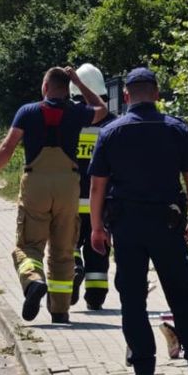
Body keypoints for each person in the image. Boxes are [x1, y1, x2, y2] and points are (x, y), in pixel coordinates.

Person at [88, 67, 188, 375]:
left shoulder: (111, 133)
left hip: (127, 227)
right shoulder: (176, 131)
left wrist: (96, 228)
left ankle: (144, 371)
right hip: (168, 225)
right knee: (182, 297)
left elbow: (97, 187)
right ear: (158, 94)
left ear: (125, 96)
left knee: (133, 299)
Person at [0, 66, 108, 324]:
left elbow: (8, 146)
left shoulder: (28, 112)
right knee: (63, 250)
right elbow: (102, 109)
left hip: (36, 182)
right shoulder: (77, 112)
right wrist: (79, 82)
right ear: (67, 88)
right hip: (68, 187)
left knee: (29, 245)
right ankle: (60, 310)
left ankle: (33, 282)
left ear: (45, 86)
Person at [70, 62, 116, 312]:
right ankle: (96, 296)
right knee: (99, 248)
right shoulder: (113, 124)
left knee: (69, 242)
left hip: (71, 198)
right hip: (102, 202)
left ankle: (75, 266)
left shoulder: (70, 120)